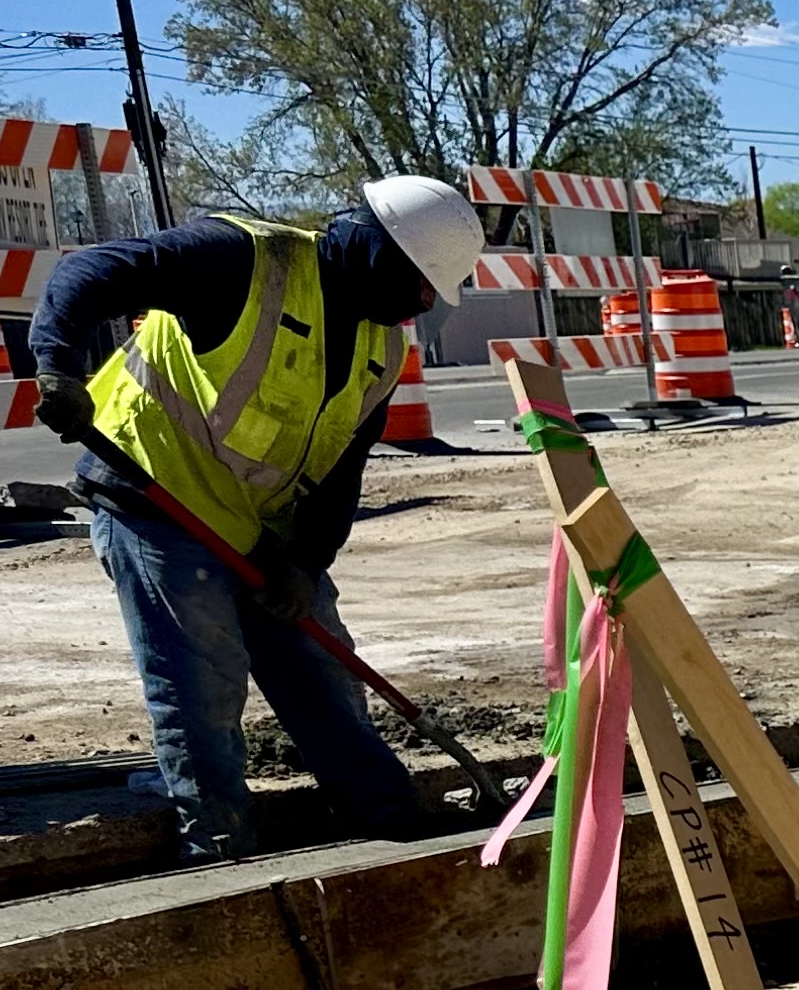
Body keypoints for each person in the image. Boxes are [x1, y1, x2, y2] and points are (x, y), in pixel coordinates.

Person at [26, 176, 487, 861]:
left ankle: (389, 819)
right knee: (202, 684)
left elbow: (340, 472)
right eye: (421, 284)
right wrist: (58, 368)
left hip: (256, 526)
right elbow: (90, 271)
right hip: (157, 495)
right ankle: (218, 849)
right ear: (377, 252)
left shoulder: (382, 349)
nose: (423, 303)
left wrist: (305, 563)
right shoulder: (243, 261)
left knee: (321, 665)